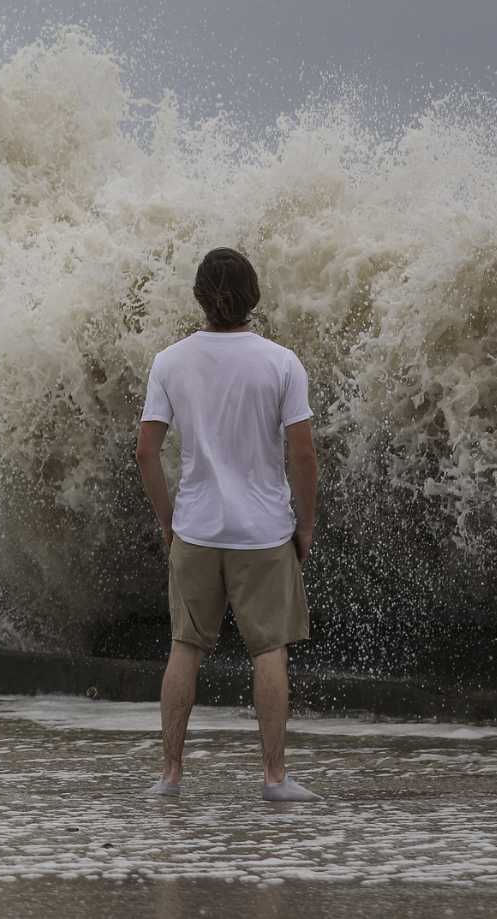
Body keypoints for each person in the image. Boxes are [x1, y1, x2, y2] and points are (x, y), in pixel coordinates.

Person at [134, 247, 320, 801]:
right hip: (263, 531)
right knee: (269, 651)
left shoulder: (170, 360)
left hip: (196, 529)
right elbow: (303, 455)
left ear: (198, 296)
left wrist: (170, 525)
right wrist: (305, 526)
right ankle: (274, 778)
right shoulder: (281, 362)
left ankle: (169, 774)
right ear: (254, 295)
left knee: (184, 649)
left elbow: (147, 452)